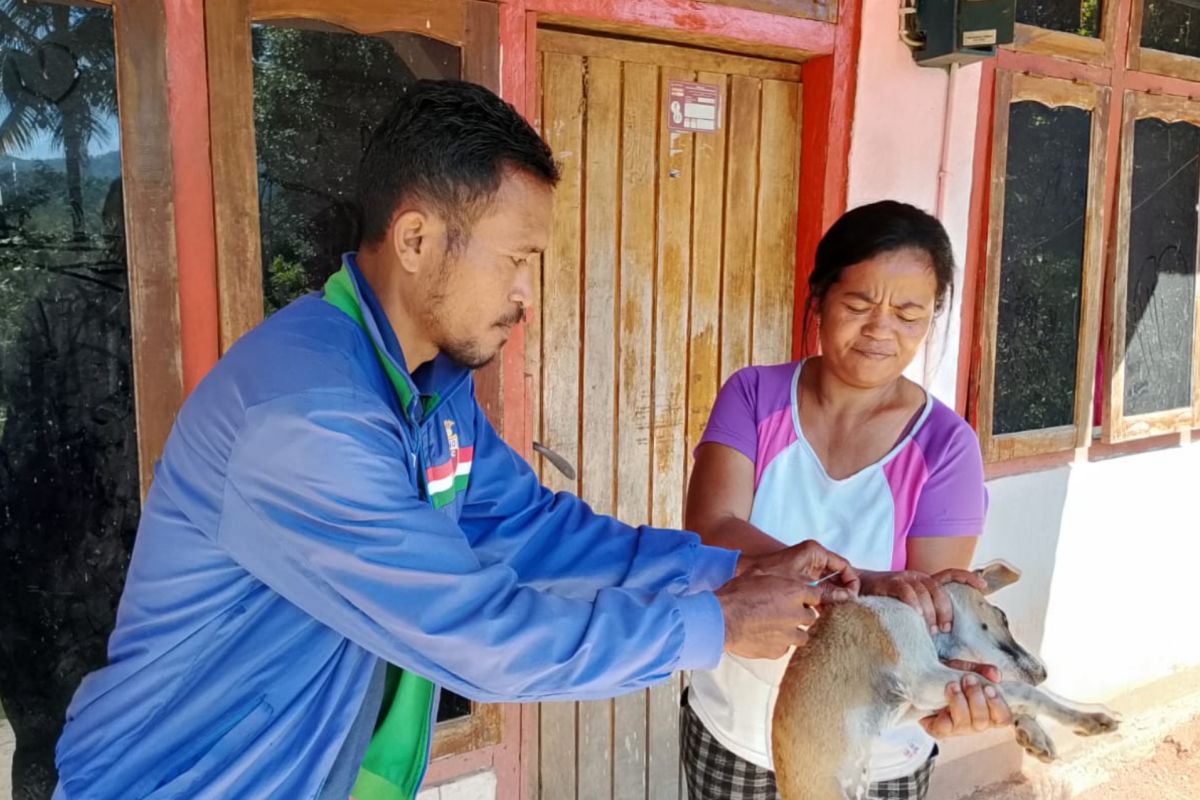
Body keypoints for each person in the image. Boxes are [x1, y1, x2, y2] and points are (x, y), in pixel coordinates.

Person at [51, 80, 857, 800]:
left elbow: (529, 532)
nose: (526, 294)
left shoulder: (428, 389)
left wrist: (735, 570)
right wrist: (713, 625)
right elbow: (478, 634)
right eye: (515, 259)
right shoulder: (307, 420)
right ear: (415, 240)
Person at [680, 201, 1011, 800]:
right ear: (820, 297)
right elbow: (711, 528)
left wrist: (963, 691)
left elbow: (929, 619)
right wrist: (866, 582)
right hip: (733, 729)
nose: (881, 330)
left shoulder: (945, 445)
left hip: (874, 756)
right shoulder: (754, 395)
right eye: (859, 305)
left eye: (908, 314)